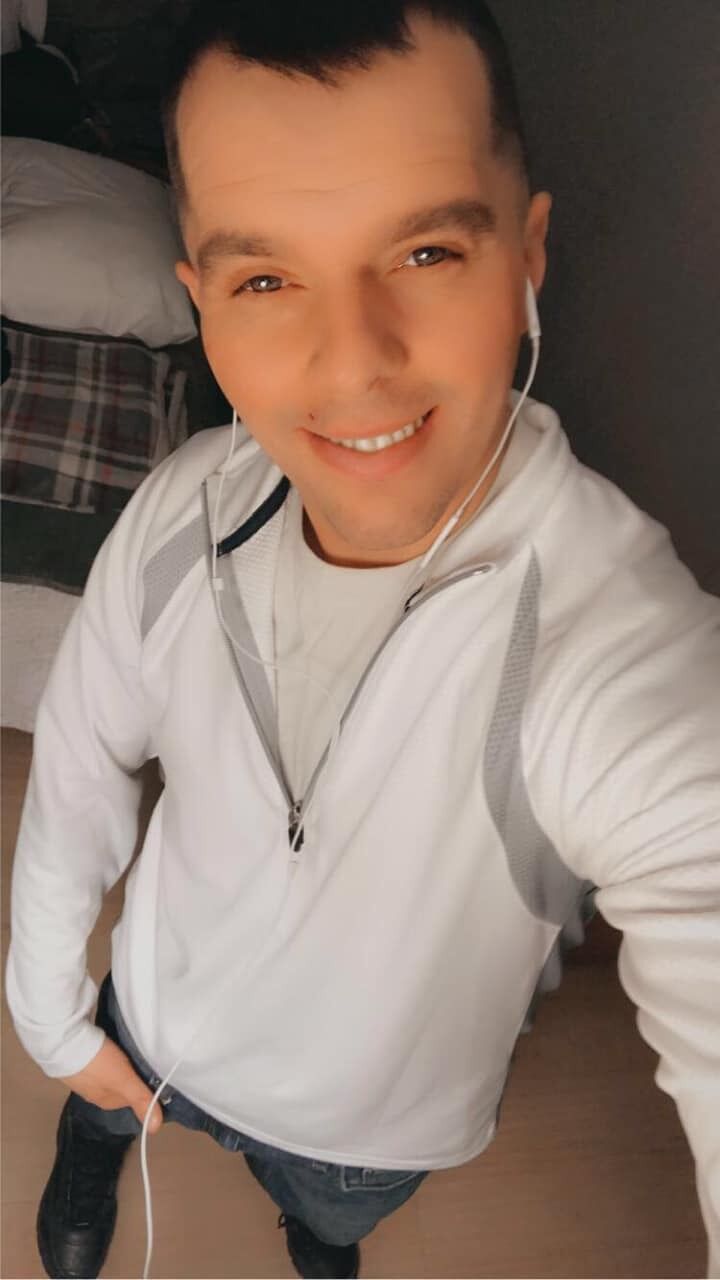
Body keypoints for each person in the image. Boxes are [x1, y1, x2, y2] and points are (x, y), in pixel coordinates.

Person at [6, 2, 720, 1278]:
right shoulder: (183, 510)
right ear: (200, 303)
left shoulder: (613, 648)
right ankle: (91, 1144)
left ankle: (314, 1230)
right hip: (150, 1011)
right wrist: (56, 1020)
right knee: (101, 1107)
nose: (353, 367)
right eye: (265, 279)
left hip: (364, 1134)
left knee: (328, 1225)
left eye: (427, 252)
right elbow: (77, 760)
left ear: (527, 253)